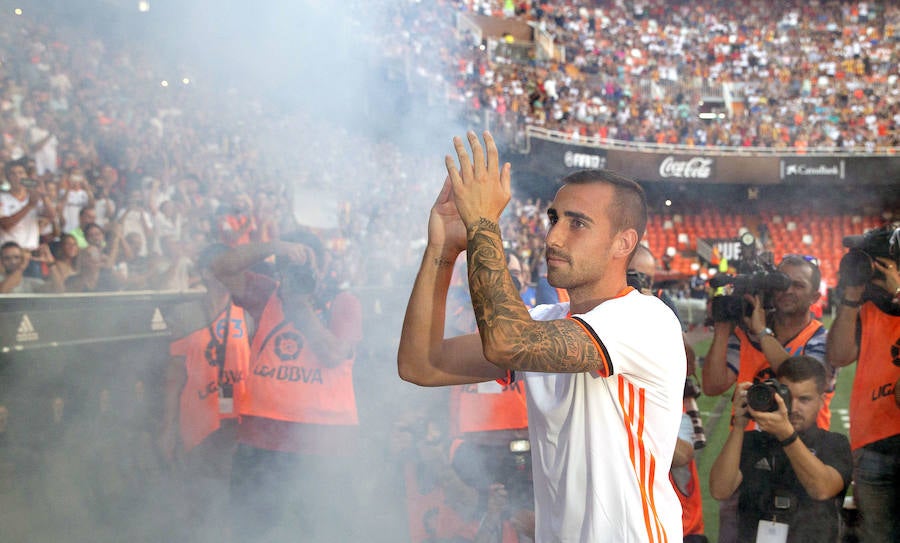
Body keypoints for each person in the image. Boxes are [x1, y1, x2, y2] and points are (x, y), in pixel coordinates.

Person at [397, 131, 685, 542]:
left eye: (577, 223)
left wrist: (482, 223)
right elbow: (420, 365)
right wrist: (442, 250)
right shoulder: (545, 320)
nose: (553, 236)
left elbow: (507, 342)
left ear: (624, 243)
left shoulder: (645, 319)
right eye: (554, 218)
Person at [210, 230, 363, 543]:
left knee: (321, 532)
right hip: (261, 438)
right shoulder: (267, 293)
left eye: (308, 264)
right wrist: (273, 246)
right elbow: (220, 267)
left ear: (323, 264)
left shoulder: (344, 303)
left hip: (322, 444)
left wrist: (299, 306)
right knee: (248, 530)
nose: (299, 273)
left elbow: (333, 354)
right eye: (289, 266)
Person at [708, 356, 853, 543]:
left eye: (804, 399)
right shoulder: (753, 441)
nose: (792, 408)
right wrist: (738, 425)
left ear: (821, 401)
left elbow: (822, 489)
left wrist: (786, 434)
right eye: (786, 397)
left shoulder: (834, 443)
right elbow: (720, 490)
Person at [160, 243, 250, 542]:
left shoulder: (247, 316)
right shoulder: (184, 315)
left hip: (237, 424)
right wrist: (168, 427)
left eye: (232, 267)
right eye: (222, 267)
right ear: (204, 273)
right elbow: (174, 377)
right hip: (196, 422)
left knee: (232, 498)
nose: (229, 274)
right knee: (196, 498)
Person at [825, 225, 900, 543]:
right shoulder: (864, 306)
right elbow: (839, 356)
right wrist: (852, 296)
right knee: (877, 536)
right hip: (872, 443)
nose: (870, 271)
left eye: (877, 263)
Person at [628, 244, 706, 542]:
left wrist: (653, 312)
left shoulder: (661, 303)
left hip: (660, 409)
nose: (639, 283)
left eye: (646, 277)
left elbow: (687, 359)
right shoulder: (596, 307)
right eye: (632, 275)